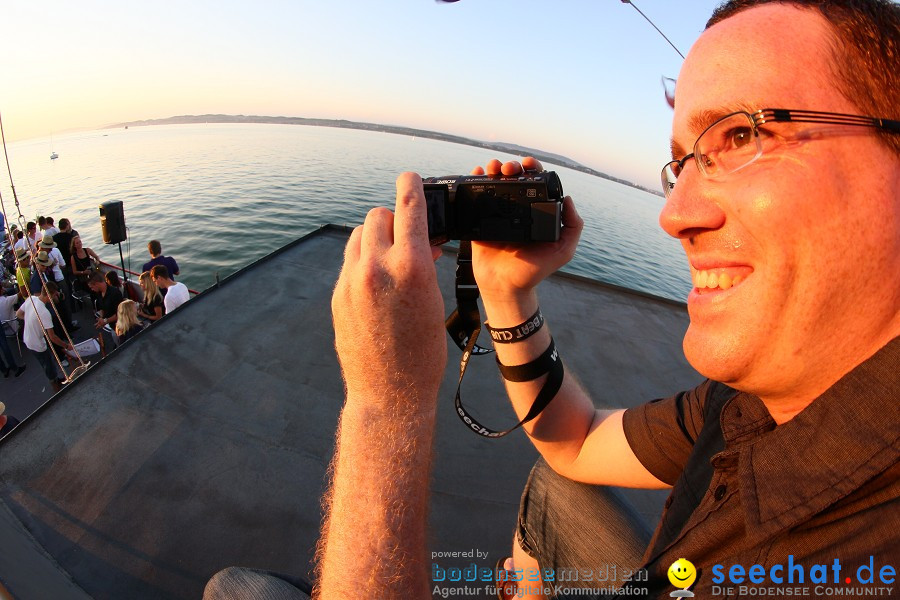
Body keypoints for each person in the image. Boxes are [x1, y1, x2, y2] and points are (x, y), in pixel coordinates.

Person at [206, 1, 900, 599]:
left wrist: (386, 403)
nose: (675, 214)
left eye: (744, 134)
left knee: (233, 588)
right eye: (684, 161)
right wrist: (509, 292)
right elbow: (575, 440)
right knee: (555, 487)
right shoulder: (750, 405)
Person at [17, 282, 72, 393]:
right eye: (55, 295)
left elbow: (18, 313)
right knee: (48, 365)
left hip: (28, 339)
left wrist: (30, 321)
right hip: (37, 343)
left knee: (48, 361)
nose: (56, 297)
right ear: (49, 295)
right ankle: (56, 388)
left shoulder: (31, 299)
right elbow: (53, 337)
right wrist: (66, 346)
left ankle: (56, 379)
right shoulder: (44, 312)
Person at [0, 289, 26, 378]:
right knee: (4, 346)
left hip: (5, 326)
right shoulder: (6, 301)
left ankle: (4, 370)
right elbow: (21, 293)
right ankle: (14, 368)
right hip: (11, 326)